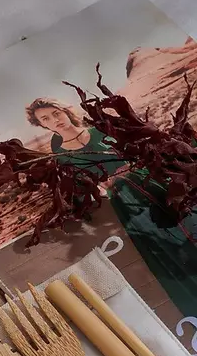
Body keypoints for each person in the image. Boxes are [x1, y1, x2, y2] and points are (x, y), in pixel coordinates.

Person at [25, 96, 197, 335]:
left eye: (56, 113)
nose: (55, 120)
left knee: (191, 222)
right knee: (166, 245)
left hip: (153, 183)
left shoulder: (100, 131)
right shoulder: (60, 156)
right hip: (127, 203)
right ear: (42, 125)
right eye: (46, 119)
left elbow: (138, 149)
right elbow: (83, 187)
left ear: (65, 111)